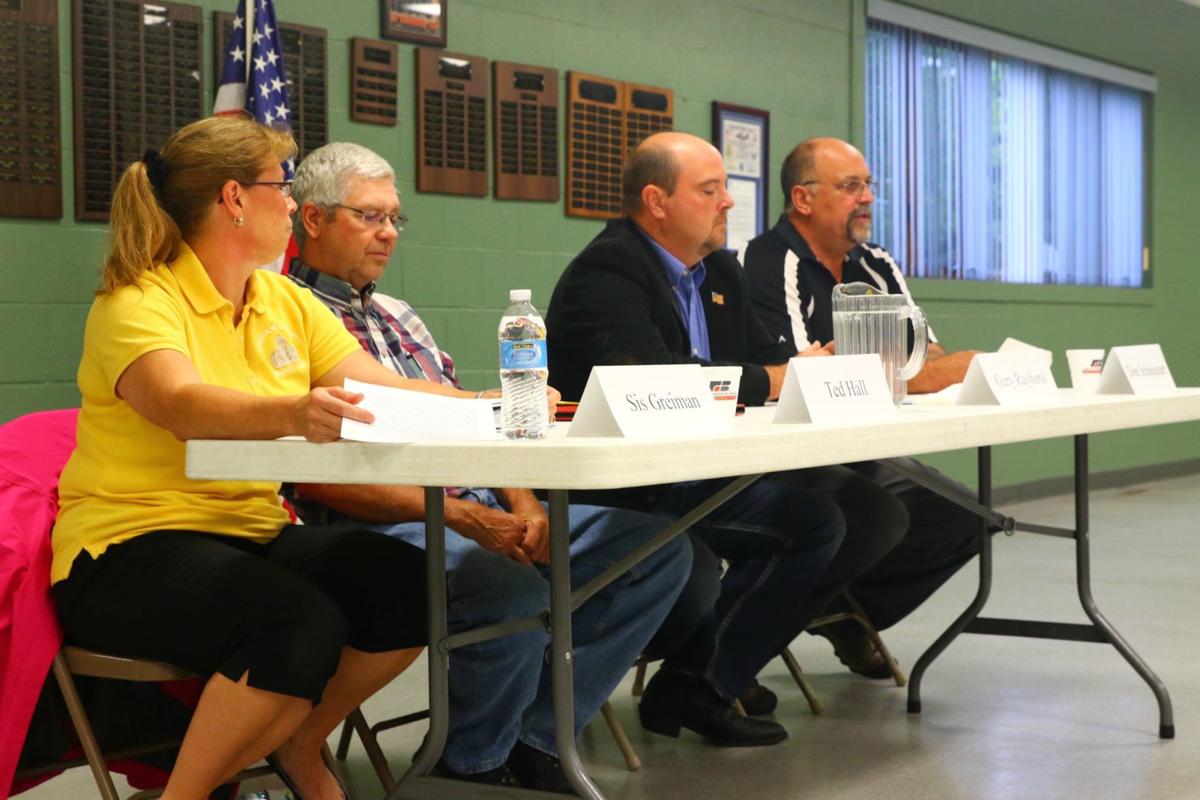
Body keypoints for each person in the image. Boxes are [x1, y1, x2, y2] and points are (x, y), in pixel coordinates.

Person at [49, 116, 490, 800]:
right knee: (294, 619)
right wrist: (295, 412)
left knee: (410, 582)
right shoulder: (136, 300)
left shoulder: (284, 299)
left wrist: (492, 403)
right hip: (125, 549)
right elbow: (181, 403)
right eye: (281, 187)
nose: (289, 203)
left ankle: (298, 740)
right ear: (232, 199)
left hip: (246, 530)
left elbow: (384, 388)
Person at [283, 142, 693, 790]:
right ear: (311, 219)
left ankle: (534, 738)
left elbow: (475, 424)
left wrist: (525, 504)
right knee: (508, 585)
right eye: (369, 216)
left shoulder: (400, 316)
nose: (388, 233)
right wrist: (465, 515)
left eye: (395, 218)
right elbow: (319, 477)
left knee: (653, 549)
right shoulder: (284, 319)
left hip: (476, 500)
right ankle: (469, 766)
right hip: (380, 521)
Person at [547, 131, 865, 748]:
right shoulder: (609, 268)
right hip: (632, 487)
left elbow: (773, 363)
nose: (726, 203)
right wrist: (774, 378)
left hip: (701, 468)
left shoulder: (719, 270)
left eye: (724, 188)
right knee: (812, 522)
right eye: (709, 190)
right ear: (656, 201)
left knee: (864, 508)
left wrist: (804, 369)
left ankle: (709, 678)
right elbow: (651, 379)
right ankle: (703, 680)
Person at [740, 135, 984, 653]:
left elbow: (927, 353)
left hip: (863, 446)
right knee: (871, 514)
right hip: (795, 454)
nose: (867, 197)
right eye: (851, 186)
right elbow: (811, 380)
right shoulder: (769, 261)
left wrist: (917, 370)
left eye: (868, 185)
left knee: (966, 516)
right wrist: (933, 370)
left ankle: (844, 616)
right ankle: (756, 638)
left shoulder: (875, 262)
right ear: (803, 199)